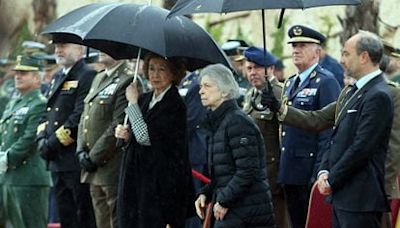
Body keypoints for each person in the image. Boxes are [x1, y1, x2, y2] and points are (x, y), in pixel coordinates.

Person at [261, 31, 393, 228]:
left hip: (360, 197)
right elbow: (328, 127)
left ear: (364, 57)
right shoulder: (352, 91)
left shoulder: (378, 94)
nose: (341, 60)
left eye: (346, 54)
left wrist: (332, 178)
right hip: (343, 195)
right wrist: (324, 169)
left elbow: (362, 147)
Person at [114, 52, 195, 228]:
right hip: (137, 179)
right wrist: (125, 135)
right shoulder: (145, 99)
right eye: (151, 68)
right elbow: (135, 136)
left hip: (160, 185)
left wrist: (133, 103)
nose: (155, 75)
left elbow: (145, 137)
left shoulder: (174, 104)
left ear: (173, 73)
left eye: (161, 69)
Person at [195, 63, 275, 227]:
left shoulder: (237, 122)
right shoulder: (220, 121)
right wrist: (206, 193)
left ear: (224, 90)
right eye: (201, 86)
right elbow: (225, 173)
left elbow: (247, 170)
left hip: (247, 213)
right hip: (236, 209)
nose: (201, 91)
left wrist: (224, 200)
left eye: (207, 86)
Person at [278, 25, 341, 228]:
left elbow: (328, 131)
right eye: (294, 45)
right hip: (289, 168)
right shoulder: (289, 83)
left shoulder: (326, 82)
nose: (296, 50)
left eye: (302, 45)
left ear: (317, 51)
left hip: (309, 170)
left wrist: (320, 170)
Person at [35, 34, 97, 228]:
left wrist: (52, 143)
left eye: (63, 46)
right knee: (65, 216)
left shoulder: (86, 74)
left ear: (80, 49)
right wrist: (41, 139)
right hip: (56, 160)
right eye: (56, 46)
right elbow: (47, 113)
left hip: (72, 159)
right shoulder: (58, 76)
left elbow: (79, 116)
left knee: (81, 216)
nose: (58, 50)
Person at [76, 52, 136, 228]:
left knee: (115, 220)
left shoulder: (128, 80)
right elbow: (84, 117)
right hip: (92, 167)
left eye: (108, 47)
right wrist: (80, 150)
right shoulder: (99, 78)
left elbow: (118, 123)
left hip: (111, 165)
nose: (101, 50)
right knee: (101, 221)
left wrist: (93, 157)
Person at [0, 55, 51, 228]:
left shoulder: (39, 103)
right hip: (10, 177)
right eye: (16, 73)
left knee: (31, 224)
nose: (18, 76)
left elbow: (30, 137)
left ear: (37, 78)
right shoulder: (13, 103)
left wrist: (7, 158)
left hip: (29, 177)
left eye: (24, 73)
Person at [241, 46, 289, 228]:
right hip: (254, 174)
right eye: (249, 68)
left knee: (278, 221)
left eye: (258, 68)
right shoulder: (251, 94)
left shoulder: (280, 94)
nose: (253, 73)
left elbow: (285, 137)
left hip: (273, 174)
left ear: (270, 69)